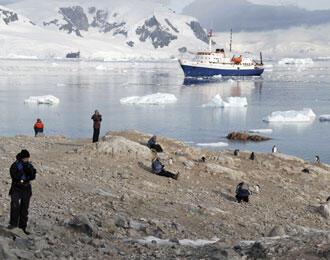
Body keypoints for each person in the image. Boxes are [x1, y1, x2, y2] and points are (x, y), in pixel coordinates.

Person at [8, 150, 36, 235]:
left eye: (28, 158)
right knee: (15, 206)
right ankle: (13, 225)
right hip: (16, 188)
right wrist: (22, 171)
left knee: (24, 209)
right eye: (25, 158)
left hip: (26, 189)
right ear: (22, 158)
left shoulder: (29, 165)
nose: (27, 159)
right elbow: (13, 176)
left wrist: (30, 172)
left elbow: (32, 177)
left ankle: (22, 228)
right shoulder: (15, 165)